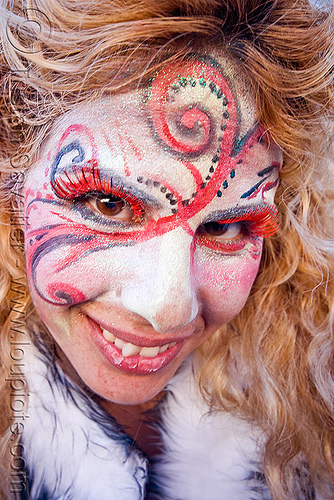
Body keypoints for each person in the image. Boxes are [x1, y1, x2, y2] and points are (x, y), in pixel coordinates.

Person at [0, 0, 333, 498]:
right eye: (109, 203)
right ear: (10, 171)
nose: (169, 309)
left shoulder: (315, 394)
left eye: (227, 228)